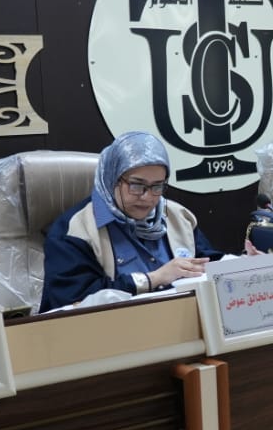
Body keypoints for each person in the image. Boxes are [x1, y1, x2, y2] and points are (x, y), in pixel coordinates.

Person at [41, 132, 224, 311]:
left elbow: (210, 265)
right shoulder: (75, 229)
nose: (147, 197)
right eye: (137, 185)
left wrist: (236, 265)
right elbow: (75, 302)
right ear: (112, 178)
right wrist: (154, 278)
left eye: (157, 186)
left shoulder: (178, 216)